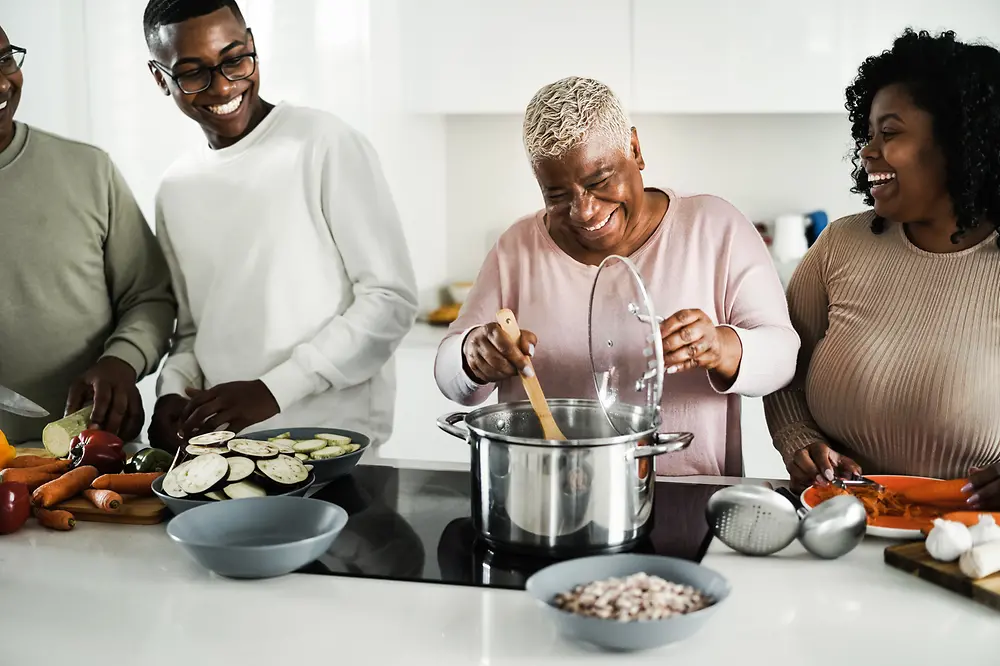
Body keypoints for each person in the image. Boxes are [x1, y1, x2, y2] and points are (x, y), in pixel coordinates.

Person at [434, 76, 799, 476]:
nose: (584, 211)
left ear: (636, 150)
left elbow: (784, 355)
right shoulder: (517, 247)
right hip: (545, 500)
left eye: (599, 182)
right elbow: (451, 375)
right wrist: (471, 356)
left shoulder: (715, 228)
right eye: (557, 196)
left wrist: (721, 347)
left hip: (688, 497)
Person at [142, 0, 418, 451]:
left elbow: (390, 300)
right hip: (223, 451)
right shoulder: (175, 187)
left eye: (234, 59)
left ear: (252, 45)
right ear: (160, 78)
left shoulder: (324, 144)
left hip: (333, 448)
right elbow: (195, 329)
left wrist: (274, 391)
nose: (222, 85)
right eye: (193, 72)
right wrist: (171, 390)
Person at [763, 30, 1000, 508]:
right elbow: (784, 364)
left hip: (971, 549)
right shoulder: (841, 245)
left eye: (889, 134)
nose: (868, 151)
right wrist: (798, 439)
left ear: (959, 142)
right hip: (836, 525)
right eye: (868, 134)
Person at [0, 24, 176, 444]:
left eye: (5, 59)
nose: (2, 82)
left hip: (95, 460)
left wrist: (121, 361)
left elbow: (149, 297)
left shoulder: (89, 170)